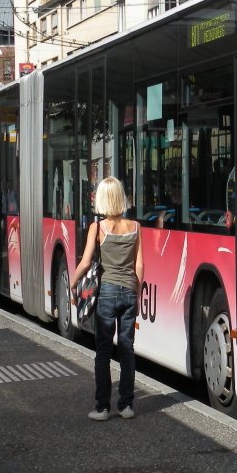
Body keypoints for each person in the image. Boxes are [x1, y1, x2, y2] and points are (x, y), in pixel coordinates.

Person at [70, 177, 143, 421]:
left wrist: (72, 284)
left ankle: (102, 407)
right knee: (127, 349)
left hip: (108, 292)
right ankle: (126, 405)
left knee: (103, 350)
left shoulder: (98, 228)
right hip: (129, 291)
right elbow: (139, 265)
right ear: (121, 197)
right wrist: (137, 292)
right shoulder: (135, 227)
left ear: (102, 198)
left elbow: (86, 262)